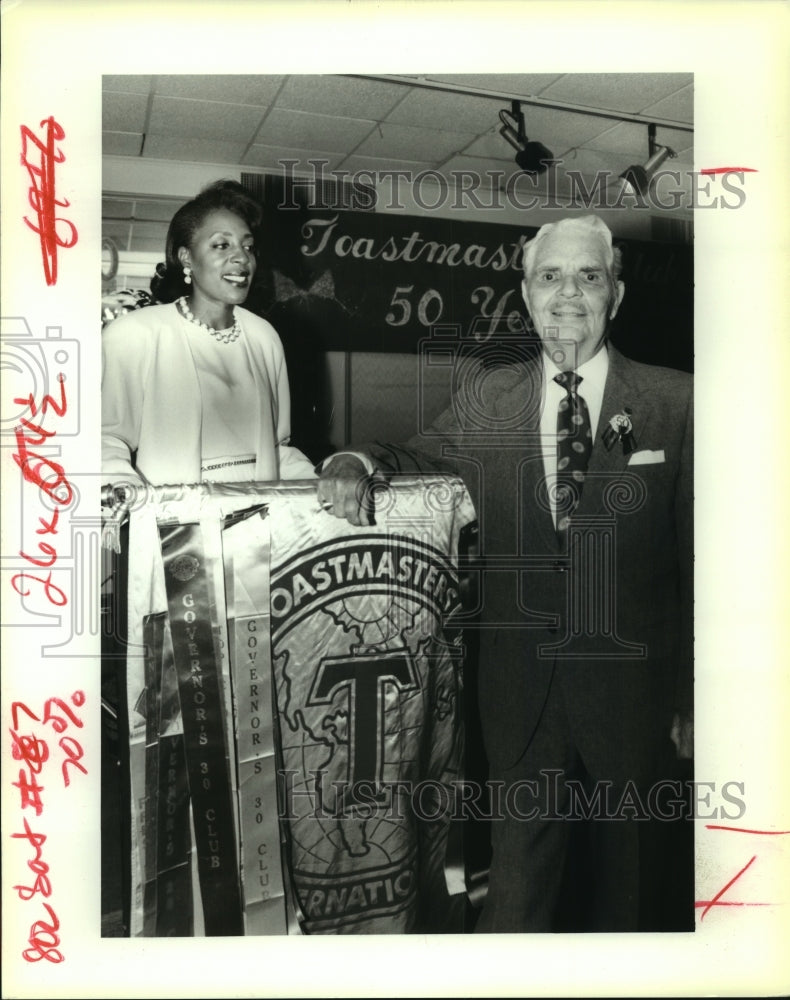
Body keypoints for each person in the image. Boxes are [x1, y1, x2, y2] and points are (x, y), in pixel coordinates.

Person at [318, 214, 694, 933]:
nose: (569, 294)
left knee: (637, 902)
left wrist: (697, 702)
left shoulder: (679, 402)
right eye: (550, 276)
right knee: (517, 902)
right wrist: (355, 461)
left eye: (589, 275)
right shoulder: (491, 398)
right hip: (522, 702)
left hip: (638, 706)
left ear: (616, 295)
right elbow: (415, 451)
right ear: (526, 296)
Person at [102, 179, 316, 491]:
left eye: (247, 246)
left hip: (264, 527)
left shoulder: (264, 338)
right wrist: (129, 496)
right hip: (177, 530)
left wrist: (326, 482)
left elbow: (278, 452)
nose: (241, 258)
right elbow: (106, 439)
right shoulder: (135, 334)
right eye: (221, 245)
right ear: (187, 258)